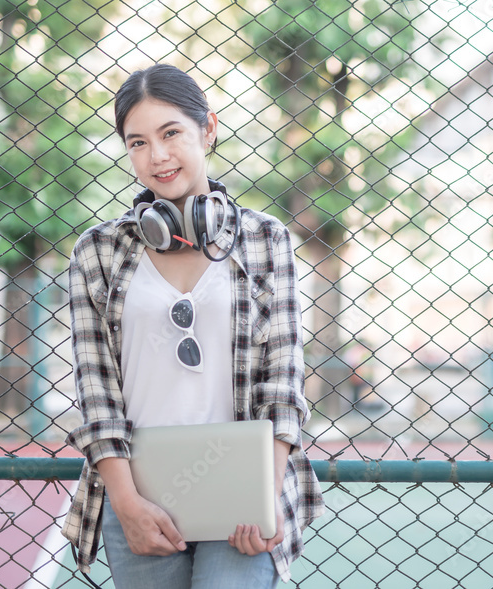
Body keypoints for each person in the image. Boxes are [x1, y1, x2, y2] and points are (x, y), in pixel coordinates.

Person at [61, 63, 324, 588]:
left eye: (171, 133)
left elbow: (283, 379)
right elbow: (97, 393)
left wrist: (263, 495)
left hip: (243, 494)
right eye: (137, 142)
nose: (156, 156)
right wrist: (128, 504)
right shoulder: (98, 251)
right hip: (138, 492)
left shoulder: (265, 240)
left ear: (208, 129)